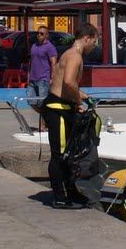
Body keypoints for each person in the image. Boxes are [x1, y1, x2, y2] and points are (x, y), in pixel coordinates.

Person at [38, 23, 100, 209]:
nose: (93, 46)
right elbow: (69, 83)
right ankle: (60, 196)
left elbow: (68, 85)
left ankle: (71, 191)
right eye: (94, 42)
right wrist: (77, 101)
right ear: (87, 37)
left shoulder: (71, 55)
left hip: (62, 105)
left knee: (70, 154)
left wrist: (81, 96)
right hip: (57, 108)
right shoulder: (75, 56)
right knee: (60, 154)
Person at [26, 28, 58, 112]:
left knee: (42, 103)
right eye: (38, 33)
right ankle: (44, 116)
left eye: (42, 34)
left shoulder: (50, 47)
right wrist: (28, 75)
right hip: (33, 79)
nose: (39, 35)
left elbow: (53, 62)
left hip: (43, 79)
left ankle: (44, 122)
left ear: (47, 35)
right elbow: (31, 61)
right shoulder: (34, 45)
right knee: (30, 101)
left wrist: (52, 78)